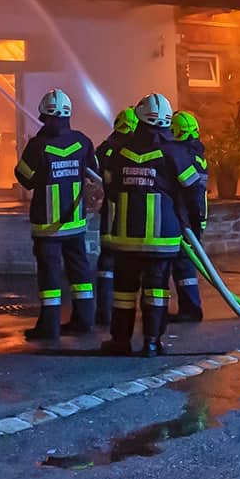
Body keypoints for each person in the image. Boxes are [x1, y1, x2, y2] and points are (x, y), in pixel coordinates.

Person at [98, 94, 205, 357]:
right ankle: (153, 343)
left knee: (124, 291)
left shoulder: (120, 150)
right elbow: (193, 190)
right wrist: (195, 226)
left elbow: (109, 186)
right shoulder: (175, 152)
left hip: (125, 236)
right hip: (162, 238)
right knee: (157, 290)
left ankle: (120, 341)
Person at [14, 89, 100, 343]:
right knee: (80, 273)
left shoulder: (37, 145)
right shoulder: (82, 142)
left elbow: (24, 179)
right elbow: (93, 173)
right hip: (75, 222)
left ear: (43, 115)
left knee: (50, 276)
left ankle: (49, 328)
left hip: (47, 226)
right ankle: (84, 321)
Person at [92, 107, 137, 334]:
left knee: (107, 265)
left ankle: (105, 313)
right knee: (129, 268)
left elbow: (93, 170)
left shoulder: (106, 150)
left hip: (111, 215)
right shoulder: (135, 150)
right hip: (132, 219)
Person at [169, 110, 208, 322]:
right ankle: (189, 307)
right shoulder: (197, 153)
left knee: (183, 263)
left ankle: (191, 309)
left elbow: (190, 191)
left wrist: (190, 221)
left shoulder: (182, 156)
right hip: (195, 215)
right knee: (184, 263)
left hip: (186, 218)